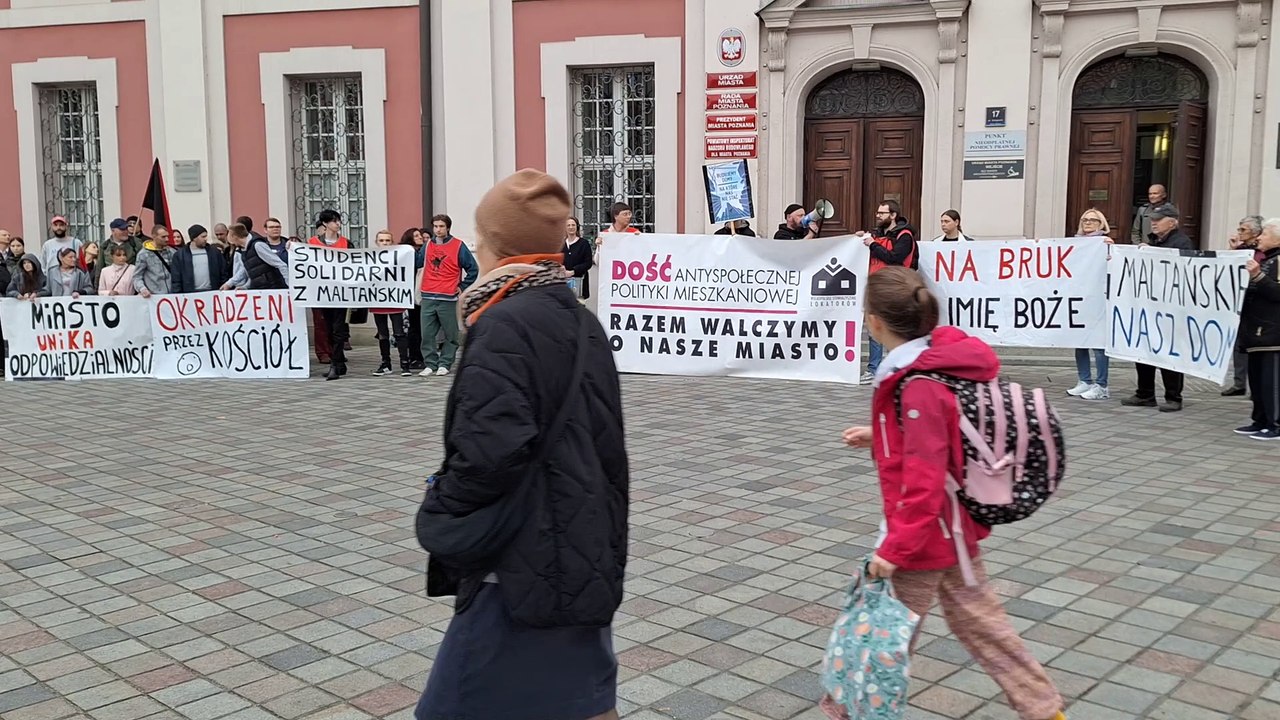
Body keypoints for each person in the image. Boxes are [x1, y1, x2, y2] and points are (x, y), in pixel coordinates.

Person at [413, 168, 628, 720]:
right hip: (579, 545)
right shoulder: (582, 323)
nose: (477, 248)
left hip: (520, 560)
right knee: (581, 702)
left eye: (482, 238)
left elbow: (489, 451)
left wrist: (441, 502)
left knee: (451, 709)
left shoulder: (503, 322)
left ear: (499, 245)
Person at [835, 266, 1065, 720]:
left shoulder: (918, 384)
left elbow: (924, 476)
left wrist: (895, 549)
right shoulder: (935, 365)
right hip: (954, 533)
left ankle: (848, 712)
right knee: (987, 630)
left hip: (923, 540)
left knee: (879, 639)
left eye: (865, 314)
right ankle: (1045, 711)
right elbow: (938, 437)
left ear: (876, 323)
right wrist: (879, 434)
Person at [1123, 203, 1192, 412]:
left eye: (1158, 219)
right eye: (1152, 219)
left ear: (1172, 222)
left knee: (1169, 352)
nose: (1153, 223)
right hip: (1149, 306)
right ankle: (1145, 393)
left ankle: (1173, 396)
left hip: (1170, 309)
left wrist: (1152, 253)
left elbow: (1181, 268)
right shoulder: (1154, 241)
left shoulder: (1182, 242)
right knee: (1144, 349)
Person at [861, 199, 919, 383]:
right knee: (874, 330)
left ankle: (899, 367)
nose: (878, 216)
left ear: (893, 215)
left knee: (895, 328)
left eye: (882, 213)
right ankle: (874, 369)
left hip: (895, 287)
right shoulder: (877, 235)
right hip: (876, 286)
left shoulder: (905, 235)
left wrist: (872, 244)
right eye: (878, 212)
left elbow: (895, 258)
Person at [415, 213, 478, 377]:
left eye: (441, 226)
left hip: (448, 296)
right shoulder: (427, 245)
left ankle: (445, 363)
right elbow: (417, 261)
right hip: (428, 295)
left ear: (448, 227)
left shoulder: (458, 246)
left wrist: (462, 286)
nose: (438, 229)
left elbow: (473, 268)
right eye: (435, 226)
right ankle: (430, 363)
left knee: (451, 333)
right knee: (427, 334)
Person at [1235, 218, 1280, 440]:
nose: (1259, 238)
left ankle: (1276, 424)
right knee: (1257, 380)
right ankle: (1260, 420)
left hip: (1273, 332)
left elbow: (1277, 293)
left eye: (1264, 234)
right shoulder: (1267, 259)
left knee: (1271, 382)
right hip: (1256, 330)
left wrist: (1258, 276)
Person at [1067, 209, 1114, 401]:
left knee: (1098, 343)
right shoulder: (1074, 243)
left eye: (1092, 220)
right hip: (1079, 298)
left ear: (1101, 224)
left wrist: (1112, 252)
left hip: (1099, 299)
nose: (1087, 222)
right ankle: (1084, 380)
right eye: (1084, 219)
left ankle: (1102, 385)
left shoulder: (1106, 243)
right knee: (1081, 341)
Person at [308, 209, 353, 381]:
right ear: (325, 224)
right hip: (321, 292)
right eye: (334, 221)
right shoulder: (312, 243)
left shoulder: (346, 243)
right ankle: (339, 362)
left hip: (341, 292)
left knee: (338, 328)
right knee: (327, 327)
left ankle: (335, 363)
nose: (338, 224)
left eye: (339, 221)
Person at [1224, 215, 1266, 397]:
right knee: (1238, 342)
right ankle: (1239, 383)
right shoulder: (1241, 249)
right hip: (1239, 301)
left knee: (1253, 345)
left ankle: (1253, 385)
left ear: (1256, 233)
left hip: (1255, 303)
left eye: (1243, 230)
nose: (1239, 232)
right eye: (1239, 229)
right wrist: (1232, 250)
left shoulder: (1262, 253)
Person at [171, 225, 230, 294]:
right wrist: (177, 294)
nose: (206, 239)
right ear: (194, 238)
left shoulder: (215, 253)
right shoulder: (180, 255)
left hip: (213, 292)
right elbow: (176, 278)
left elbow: (223, 272)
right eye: (203, 237)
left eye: (206, 236)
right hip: (190, 294)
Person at [400, 227, 427, 370]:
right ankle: (415, 357)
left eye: (420, 235)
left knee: (420, 327)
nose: (420, 237)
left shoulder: (420, 250)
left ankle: (419, 356)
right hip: (411, 293)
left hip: (419, 292)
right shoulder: (409, 252)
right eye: (416, 235)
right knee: (415, 327)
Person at [133, 226, 174, 298]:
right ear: (154, 236)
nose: (167, 239)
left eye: (168, 236)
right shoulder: (144, 254)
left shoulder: (172, 252)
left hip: (172, 296)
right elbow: (137, 276)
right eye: (163, 237)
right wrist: (142, 289)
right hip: (153, 297)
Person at [563, 216, 594, 301]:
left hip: (579, 283)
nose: (571, 227)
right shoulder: (561, 244)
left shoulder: (584, 244)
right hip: (563, 283)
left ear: (577, 227)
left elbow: (588, 263)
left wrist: (573, 271)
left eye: (573, 225)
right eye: (568, 225)